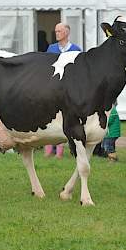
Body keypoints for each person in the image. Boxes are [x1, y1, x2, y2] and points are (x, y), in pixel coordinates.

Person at [44, 23, 81, 158]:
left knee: (64, 118)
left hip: (68, 90)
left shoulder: (76, 49)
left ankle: (60, 151)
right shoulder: (51, 48)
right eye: (56, 31)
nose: (56, 33)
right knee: (50, 117)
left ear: (66, 32)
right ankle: (48, 150)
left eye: (59, 31)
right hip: (53, 89)